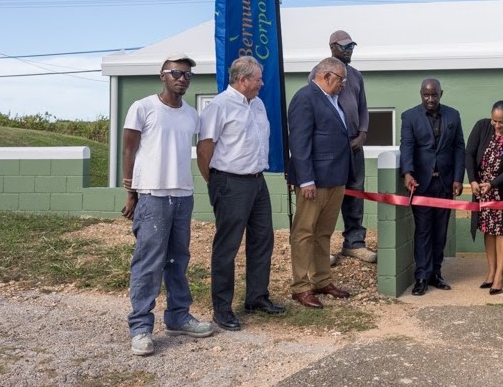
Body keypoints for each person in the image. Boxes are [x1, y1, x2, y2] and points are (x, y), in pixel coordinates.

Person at [122, 54, 213, 356]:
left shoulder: (191, 115)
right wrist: (130, 192)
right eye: (176, 73)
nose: (182, 78)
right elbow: (128, 149)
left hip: (183, 195)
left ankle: (177, 316)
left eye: (187, 74)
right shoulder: (143, 107)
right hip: (152, 194)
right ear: (162, 75)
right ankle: (140, 328)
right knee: (148, 262)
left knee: (178, 259)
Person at [197, 56, 285, 332]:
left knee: (262, 240)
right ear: (243, 80)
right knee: (228, 246)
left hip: (257, 181)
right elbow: (204, 149)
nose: (262, 83)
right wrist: (215, 182)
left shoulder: (257, 104)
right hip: (230, 183)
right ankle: (222, 308)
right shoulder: (219, 107)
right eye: (258, 78)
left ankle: (256, 297)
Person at [288, 57, 354, 309]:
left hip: (335, 179)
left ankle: (322, 280)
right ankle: (301, 287)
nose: (343, 85)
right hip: (313, 182)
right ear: (326, 76)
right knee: (304, 233)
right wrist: (306, 179)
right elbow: (300, 142)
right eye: (341, 80)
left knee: (323, 233)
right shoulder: (305, 98)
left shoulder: (333, 100)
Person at [401, 78, 466, 296]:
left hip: (445, 183)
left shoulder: (453, 115)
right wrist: (407, 173)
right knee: (423, 231)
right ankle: (421, 276)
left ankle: (435, 274)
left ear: (441, 93)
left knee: (440, 232)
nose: (430, 99)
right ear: (421, 94)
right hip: (421, 184)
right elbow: (407, 146)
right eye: (426, 95)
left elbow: (459, 148)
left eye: (434, 95)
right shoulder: (410, 116)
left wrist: (458, 178)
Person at [322, 30, 375, 265]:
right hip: (332, 149)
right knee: (329, 196)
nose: (349, 50)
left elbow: (363, 107)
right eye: (345, 46)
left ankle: (354, 243)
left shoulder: (356, 76)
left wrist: (363, 133)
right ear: (333, 47)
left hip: (355, 145)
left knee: (356, 192)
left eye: (352, 46)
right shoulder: (320, 73)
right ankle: (321, 249)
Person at [465, 100, 503, 294]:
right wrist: (473, 180)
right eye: (494, 121)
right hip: (481, 190)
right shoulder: (482, 126)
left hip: (502, 191)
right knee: (488, 230)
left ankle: (500, 275)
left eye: (502, 122)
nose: (497, 125)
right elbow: (469, 154)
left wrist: (492, 183)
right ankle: (491, 272)